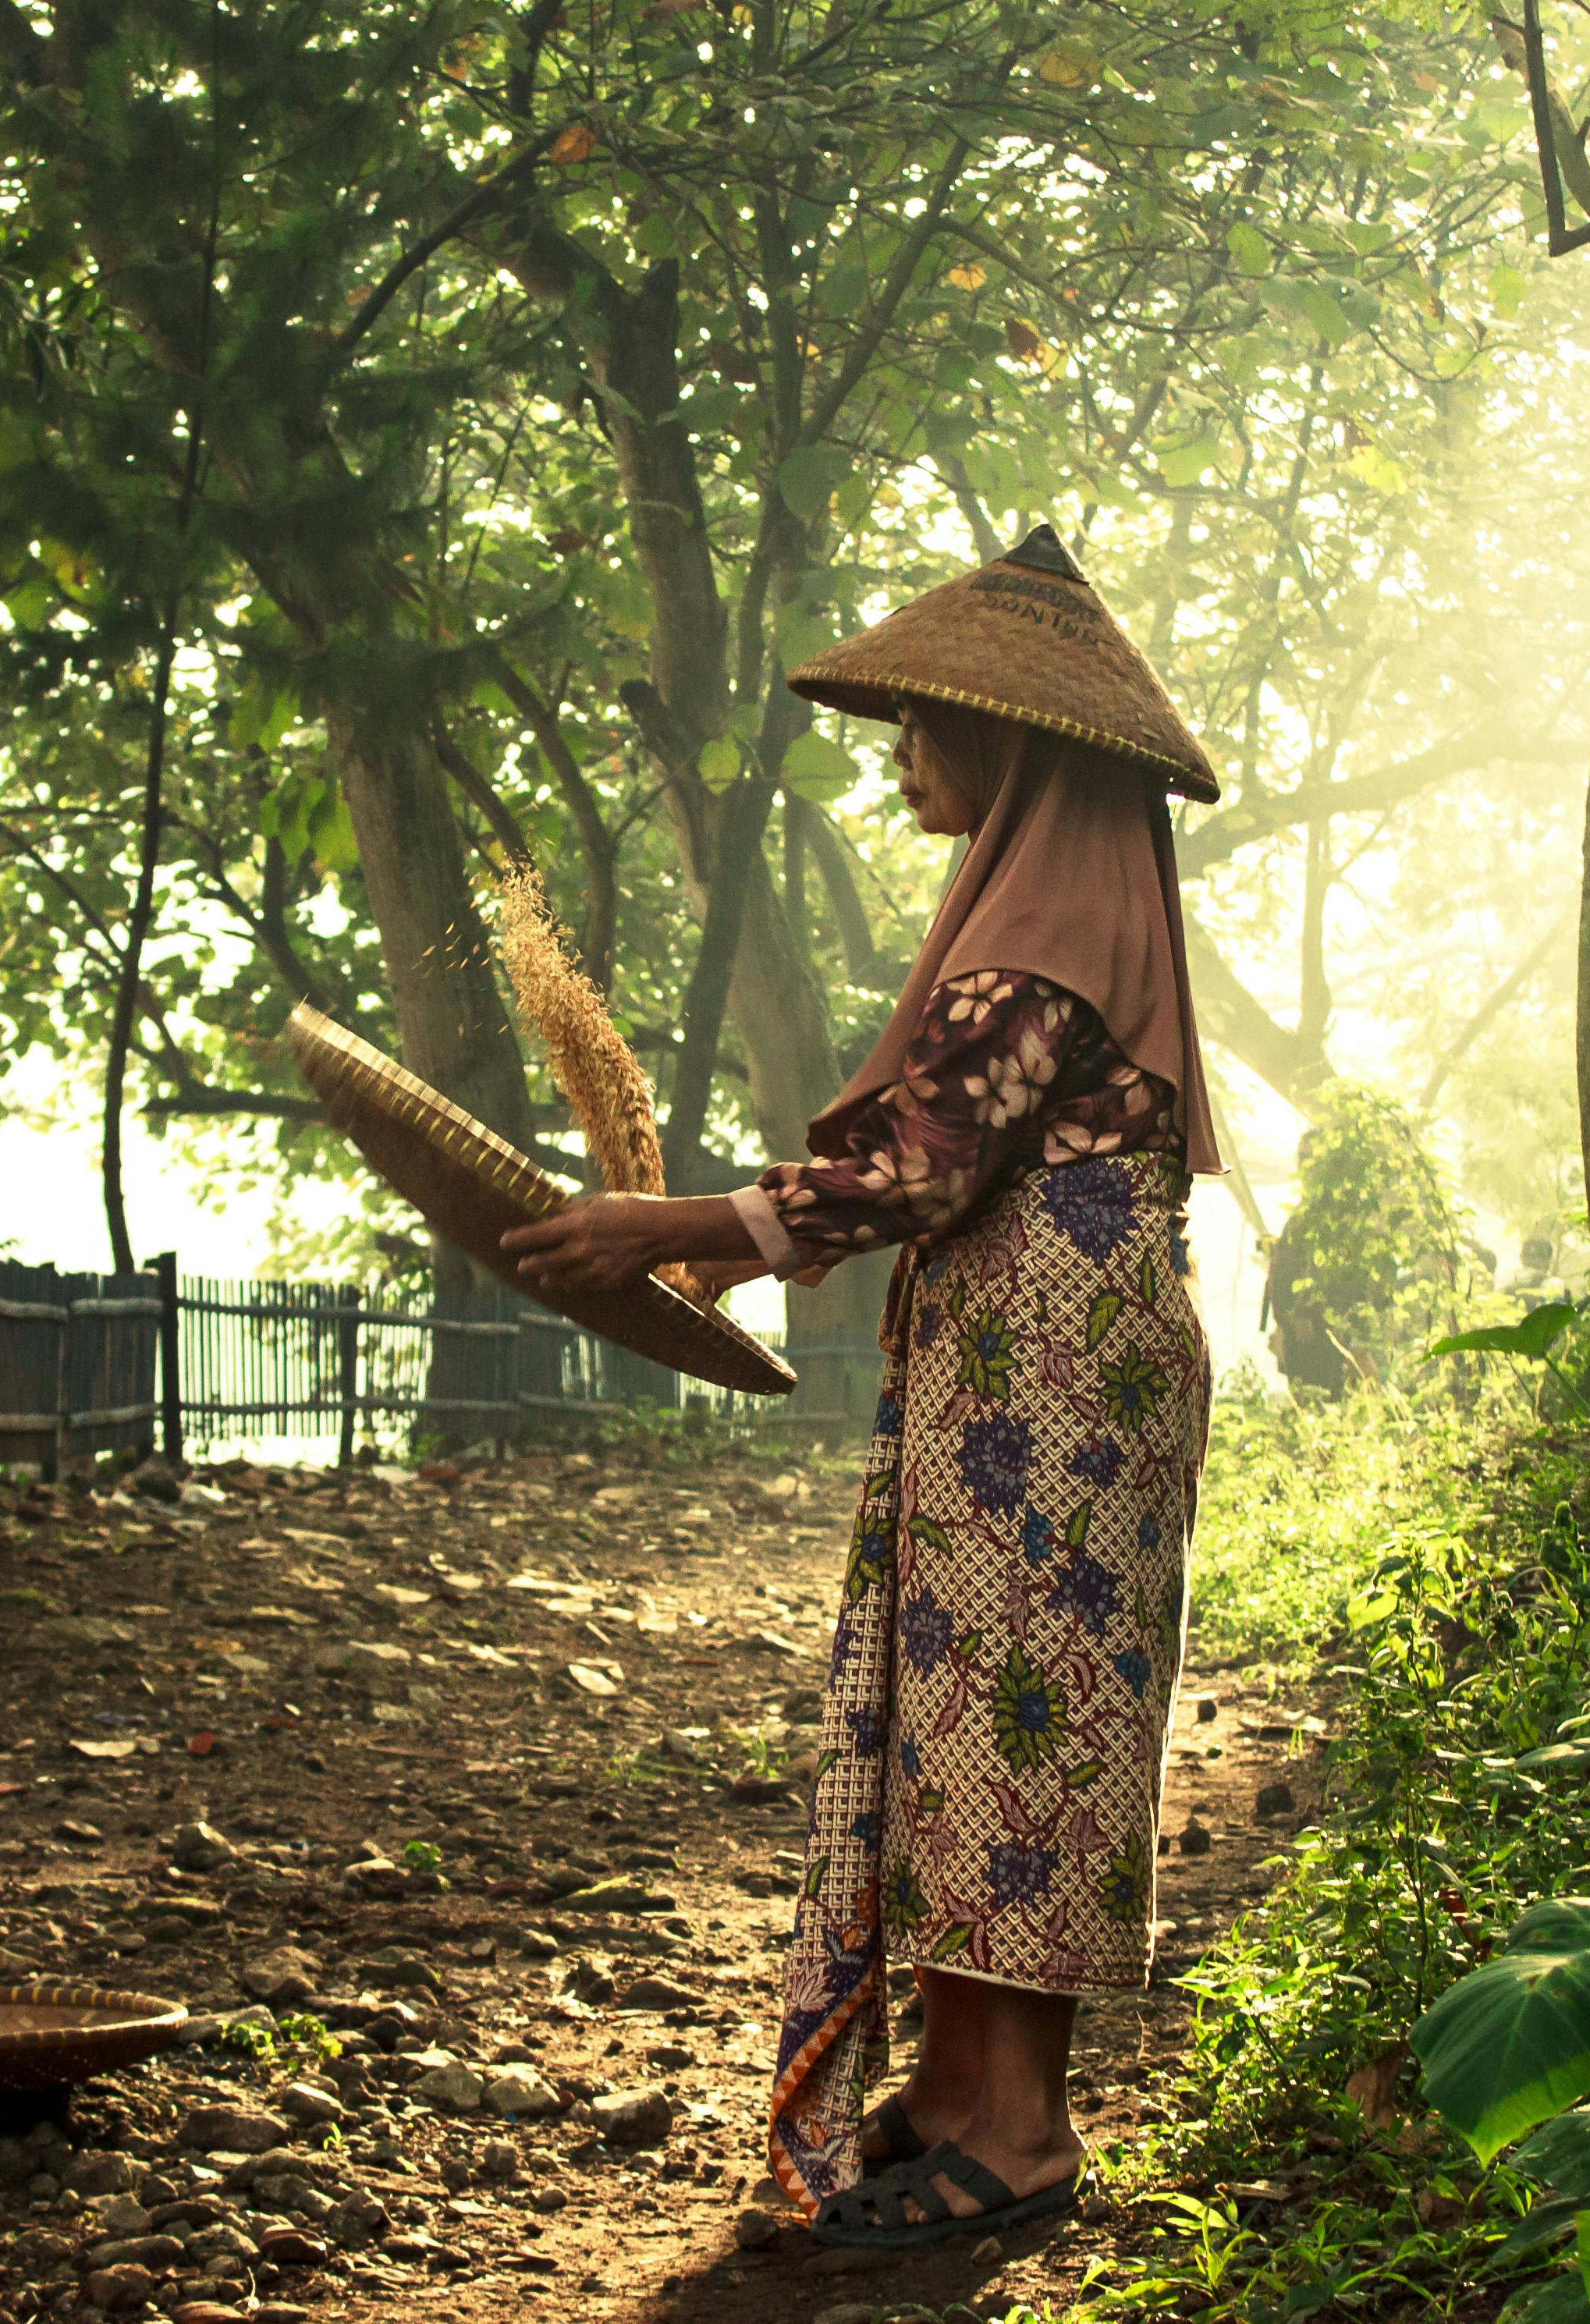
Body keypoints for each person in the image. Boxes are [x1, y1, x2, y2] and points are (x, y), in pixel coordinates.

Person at [501, 525, 1223, 2251]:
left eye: (923, 725)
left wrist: (678, 1229)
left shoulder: (1042, 937)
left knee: (1029, 1722)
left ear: (1015, 746)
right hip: (1023, 1358)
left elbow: (917, 1175)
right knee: (967, 1719)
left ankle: (1024, 2131)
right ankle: (964, 2091)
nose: (900, 757)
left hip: (1057, 1365)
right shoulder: (1049, 910)